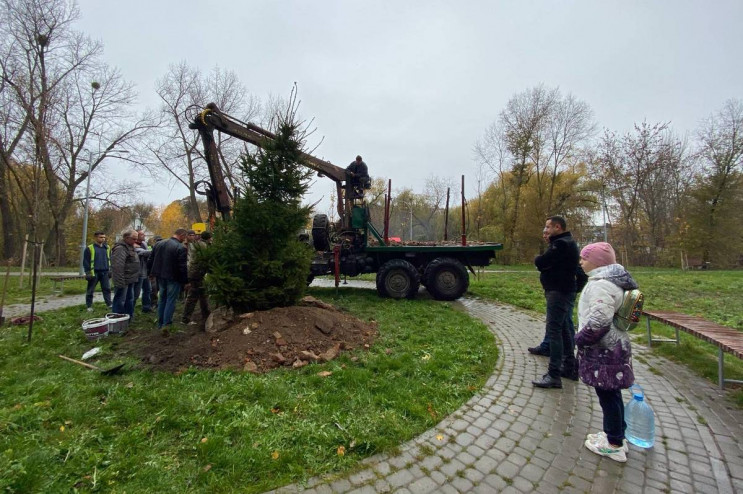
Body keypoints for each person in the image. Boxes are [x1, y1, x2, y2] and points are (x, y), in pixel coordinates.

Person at [577, 242, 637, 463]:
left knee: (607, 395)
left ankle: (614, 444)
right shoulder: (612, 282)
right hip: (615, 346)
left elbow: (599, 320)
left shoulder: (600, 285)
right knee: (612, 393)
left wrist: (580, 339)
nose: (581, 261)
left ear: (597, 262)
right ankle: (617, 433)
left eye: (584, 258)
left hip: (603, 350)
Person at [531, 215, 581, 389]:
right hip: (563, 291)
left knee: (555, 331)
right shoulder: (567, 242)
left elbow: (542, 262)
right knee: (565, 329)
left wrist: (538, 259)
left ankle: (553, 374)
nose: (545, 231)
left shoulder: (560, 244)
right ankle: (569, 366)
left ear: (558, 227)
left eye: (548, 227)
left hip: (558, 292)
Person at [148, 228, 188, 331]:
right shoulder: (181, 247)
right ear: (182, 235)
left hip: (160, 276)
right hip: (173, 277)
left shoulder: (159, 244)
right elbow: (182, 267)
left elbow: (151, 259)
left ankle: (160, 323)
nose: (185, 239)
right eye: (185, 237)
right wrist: (185, 281)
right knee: (170, 300)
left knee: (162, 299)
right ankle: (167, 323)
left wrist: (150, 272)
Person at [182, 230, 211, 325]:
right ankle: (185, 319)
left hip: (196, 273)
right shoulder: (202, 246)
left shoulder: (197, 244)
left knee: (202, 294)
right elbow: (206, 259)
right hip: (196, 274)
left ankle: (206, 314)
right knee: (193, 295)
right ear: (209, 238)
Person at [111, 229, 140, 321]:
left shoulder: (130, 247)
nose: (136, 241)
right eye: (134, 239)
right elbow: (118, 267)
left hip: (130, 279)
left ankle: (128, 317)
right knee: (120, 300)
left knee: (129, 299)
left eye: (136, 239)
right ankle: (118, 319)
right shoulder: (120, 249)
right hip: (123, 281)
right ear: (127, 238)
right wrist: (120, 282)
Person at [82, 231, 112, 311]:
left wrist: (110, 270)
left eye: (104, 237)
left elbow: (110, 259)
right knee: (90, 290)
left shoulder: (107, 248)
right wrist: (87, 272)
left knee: (107, 289)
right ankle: (89, 306)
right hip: (94, 272)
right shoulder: (90, 248)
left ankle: (109, 304)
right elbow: (86, 261)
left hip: (105, 272)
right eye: (101, 237)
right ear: (95, 238)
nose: (103, 239)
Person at [133, 230, 153, 313]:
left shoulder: (144, 244)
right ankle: (130, 309)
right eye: (142, 234)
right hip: (138, 273)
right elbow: (144, 253)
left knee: (148, 289)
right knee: (135, 293)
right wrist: (157, 250)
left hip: (145, 271)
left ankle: (146, 307)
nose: (144, 235)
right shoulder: (133, 246)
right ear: (137, 236)